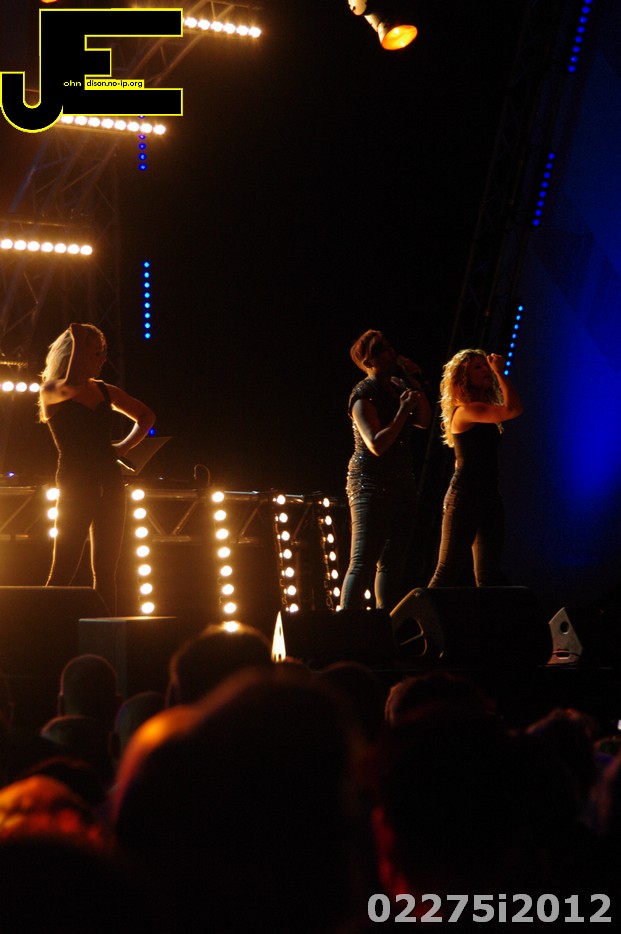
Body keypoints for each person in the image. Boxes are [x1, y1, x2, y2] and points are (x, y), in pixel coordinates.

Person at [39, 322, 155, 614]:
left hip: (111, 483)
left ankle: (106, 634)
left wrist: (124, 447)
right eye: (96, 352)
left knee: (106, 572)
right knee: (63, 568)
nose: (103, 359)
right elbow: (72, 385)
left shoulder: (105, 391)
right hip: (75, 484)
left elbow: (146, 416)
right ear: (74, 353)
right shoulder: (52, 390)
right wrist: (78, 339)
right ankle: (46, 629)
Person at [340, 329, 431, 611]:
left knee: (392, 563)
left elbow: (424, 420)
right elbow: (376, 444)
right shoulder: (362, 394)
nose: (392, 354)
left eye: (390, 348)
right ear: (368, 362)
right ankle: (345, 628)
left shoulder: (398, 385)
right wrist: (403, 410)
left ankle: (383, 626)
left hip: (402, 482)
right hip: (369, 482)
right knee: (363, 561)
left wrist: (414, 383)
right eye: (382, 351)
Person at [428, 349, 521, 587]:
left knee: (488, 575)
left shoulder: (480, 408)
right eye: (477, 367)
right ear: (464, 377)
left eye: (485, 366)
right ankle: (418, 613)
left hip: (488, 497)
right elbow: (513, 409)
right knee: (446, 572)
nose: (485, 370)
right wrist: (500, 372)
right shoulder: (466, 410)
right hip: (465, 497)